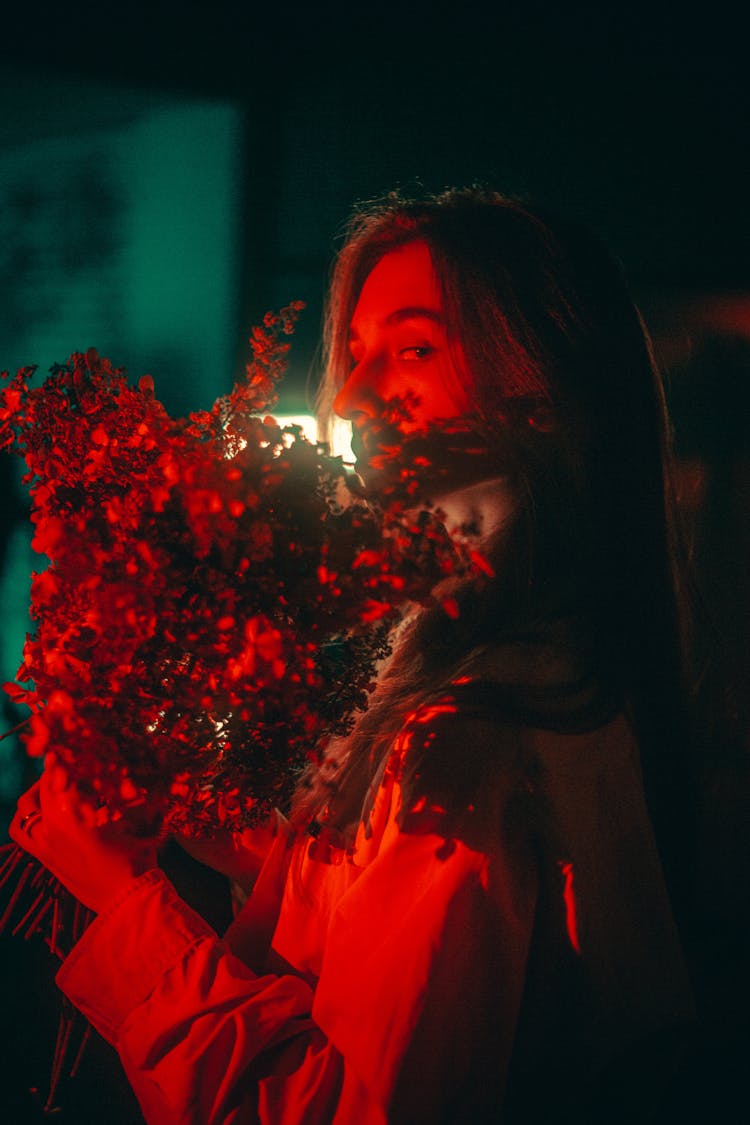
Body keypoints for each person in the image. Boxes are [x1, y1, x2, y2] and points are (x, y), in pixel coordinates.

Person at [10, 188, 698, 1123]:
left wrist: (121, 896)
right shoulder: (540, 679)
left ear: (545, 398)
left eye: (412, 348)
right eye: (358, 353)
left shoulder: (471, 739)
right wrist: (260, 843)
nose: (347, 395)